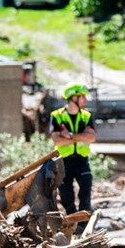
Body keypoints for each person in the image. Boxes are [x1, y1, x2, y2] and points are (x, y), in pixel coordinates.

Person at [49, 82, 97, 214]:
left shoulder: (86, 116)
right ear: (73, 98)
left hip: (82, 160)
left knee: (86, 189)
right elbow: (57, 140)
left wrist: (69, 136)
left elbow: (91, 138)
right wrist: (82, 136)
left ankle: (84, 221)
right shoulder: (57, 116)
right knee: (66, 194)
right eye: (82, 96)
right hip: (64, 162)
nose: (86, 99)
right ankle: (72, 220)